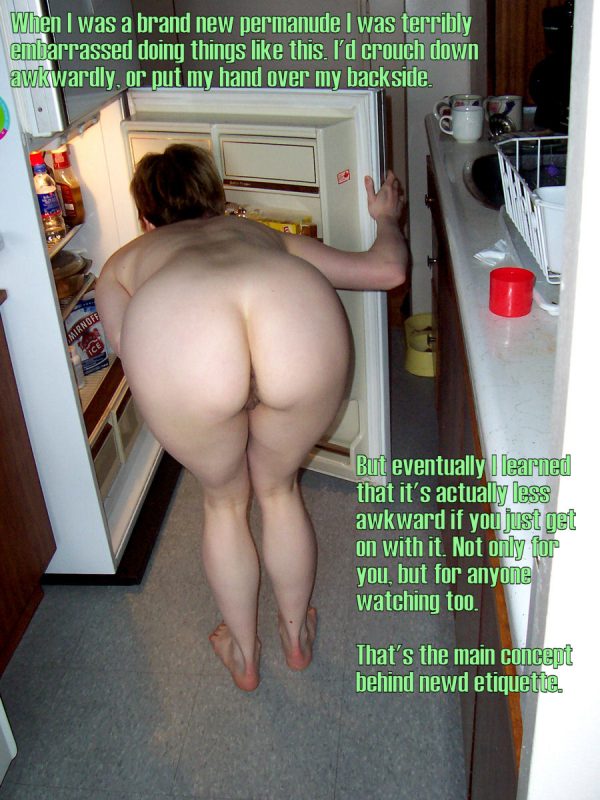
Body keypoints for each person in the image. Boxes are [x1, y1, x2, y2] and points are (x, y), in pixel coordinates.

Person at [96, 144, 407, 691]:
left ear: (146, 218)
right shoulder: (260, 234)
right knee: (279, 490)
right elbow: (387, 271)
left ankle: (243, 656)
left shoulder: (123, 263)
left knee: (223, 501)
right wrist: (385, 217)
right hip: (293, 324)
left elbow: (128, 345)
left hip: (185, 345)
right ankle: (296, 637)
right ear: (218, 199)